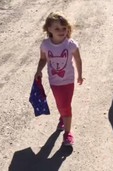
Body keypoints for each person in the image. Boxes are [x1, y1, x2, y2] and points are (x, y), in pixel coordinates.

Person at [34, 12, 83, 146]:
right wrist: (38, 70)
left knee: (65, 105)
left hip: (68, 80)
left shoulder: (71, 44)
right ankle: (63, 117)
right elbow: (43, 59)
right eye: (57, 28)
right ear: (49, 29)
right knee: (61, 104)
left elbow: (78, 60)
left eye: (64, 28)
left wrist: (80, 75)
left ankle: (67, 134)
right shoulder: (45, 45)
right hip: (54, 82)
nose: (61, 31)